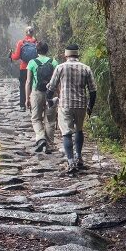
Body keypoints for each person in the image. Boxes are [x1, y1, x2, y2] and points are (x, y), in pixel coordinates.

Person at [46, 44, 96, 172]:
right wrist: (90, 106)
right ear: (78, 55)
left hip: (65, 105)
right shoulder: (86, 68)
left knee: (66, 133)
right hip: (81, 105)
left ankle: (70, 162)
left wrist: (49, 100)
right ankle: (79, 157)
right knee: (79, 130)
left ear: (66, 55)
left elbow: (51, 87)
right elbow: (92, 90)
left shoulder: (60, 67)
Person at [25, 41, 58, 153]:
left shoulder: (32, 62)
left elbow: (28, 82)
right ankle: (49, 145)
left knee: (36, 118)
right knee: (50, 120)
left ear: (37, 51)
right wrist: (59, 95)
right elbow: (57, 81)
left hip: (36, 93)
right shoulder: (53, 62)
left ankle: (41, 138)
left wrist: (27, 98)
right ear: (47, 50)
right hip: (51, 93)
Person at [10, 26, 38, 111]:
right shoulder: (37, 43)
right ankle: (33, 105)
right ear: (33, 33)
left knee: (23, 86)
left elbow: (16, 57)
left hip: (23, 68)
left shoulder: (21, 42)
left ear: (25, 33)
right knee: (33, 86)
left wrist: (11, 54)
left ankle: (22, 105)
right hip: (34, 67)